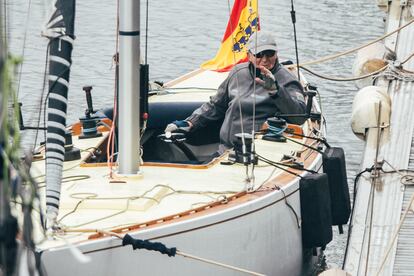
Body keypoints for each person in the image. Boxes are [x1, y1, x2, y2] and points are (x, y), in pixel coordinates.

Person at [165, 31, 307, 154]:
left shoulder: (288, 79)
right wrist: (190, 122)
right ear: (249, 55)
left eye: (269, 54)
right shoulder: (238, 72)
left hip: (262, 154)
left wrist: (276, 91)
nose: (264, 59)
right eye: (259, 54)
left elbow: (300, 117)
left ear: (276, 54)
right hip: (225, 150)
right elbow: (215, 105)